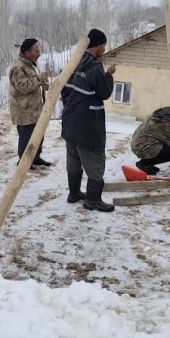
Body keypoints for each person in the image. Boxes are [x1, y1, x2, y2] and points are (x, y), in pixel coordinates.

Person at [61, 28, 116, 212]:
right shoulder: (94, 68)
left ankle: (74, 193)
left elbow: (64, 89)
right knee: (95, 161)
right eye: (103, 46)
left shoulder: (73, 62)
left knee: (74, 159)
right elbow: (104, 93)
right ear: (97, 46)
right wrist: (109, 75)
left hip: (70, 122)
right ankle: (93, 200)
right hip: (89, 125)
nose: (104, 49)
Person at [9, 38, 51, 168]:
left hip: (34, 110)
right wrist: (39, 78)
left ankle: (35, 158)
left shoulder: (29, 65)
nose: (39, 54)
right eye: (36, 51)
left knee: (38, 135)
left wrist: (42, 84)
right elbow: (23, 86)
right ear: (27, 52)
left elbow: (32, 83)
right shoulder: (18, 67)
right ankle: (23, 162)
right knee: (27, 137)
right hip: (24, 111)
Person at [130, 107, 170, 175]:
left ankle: (148, 164)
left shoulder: (163, 115)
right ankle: (144, 164)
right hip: (142, 147)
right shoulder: (169, 124)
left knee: (167, 146)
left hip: (138, 143)